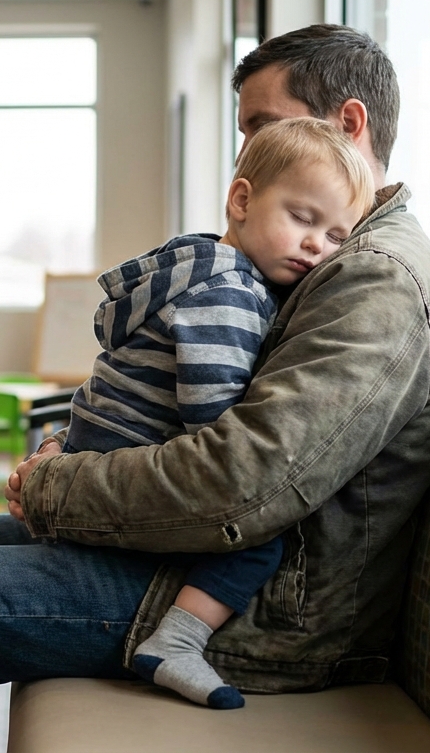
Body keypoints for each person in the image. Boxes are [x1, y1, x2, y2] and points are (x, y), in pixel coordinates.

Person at [0, 24, 430, 753]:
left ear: (348, 123)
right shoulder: (311, 261)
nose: (247, 155)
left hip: (262, 603)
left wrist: (57, 486)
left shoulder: (377, 279)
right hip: (199, 553)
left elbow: (243, 484)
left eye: (264, 125)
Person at [62, 117, 374, 710]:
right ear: (242, 200)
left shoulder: (193, 264)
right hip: (121, 465)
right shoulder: (231, 291)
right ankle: (176, 642)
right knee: (260, 533)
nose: (316, 245)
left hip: (91, 443)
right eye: (302, 218)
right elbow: (213, 426)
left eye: (336, 236)